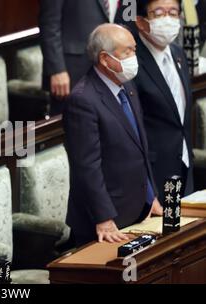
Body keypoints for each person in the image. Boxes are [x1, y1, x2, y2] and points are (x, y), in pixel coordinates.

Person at [64, 24, 162, 247]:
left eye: (134, 50)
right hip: (105, 222)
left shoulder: (127, 86)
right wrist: (103, 218)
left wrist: (151, 196)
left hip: (138, 209)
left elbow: (140, 148)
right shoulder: (83, 100)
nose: (134, 57)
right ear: (105, 59)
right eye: (127, 51)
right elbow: (87, 167)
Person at [133, 0, 194, 196]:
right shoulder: (131, 64)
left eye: (173, 12)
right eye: (158, 13)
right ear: (141, 22)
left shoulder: (178, 53)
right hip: (152, 173)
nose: (168, 19)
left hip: (183, 162)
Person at [39, 0, 126, 102]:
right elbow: (49, 25)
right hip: (74, 71)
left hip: (116, 65)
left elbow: (130, 15)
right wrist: (57, 70)